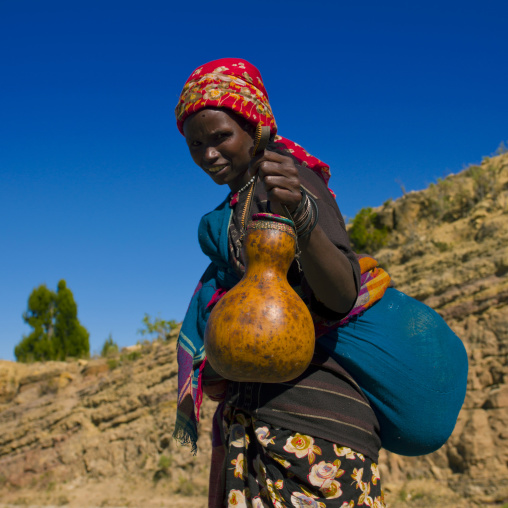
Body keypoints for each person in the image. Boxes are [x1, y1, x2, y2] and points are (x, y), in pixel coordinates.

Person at [173, 58, 467, 508]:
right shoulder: (237, 202)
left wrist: (304, 220)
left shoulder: (293, 181)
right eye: (195, 144)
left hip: (314, 432)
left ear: (255, 127)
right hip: (257, 420)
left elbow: (342, 294)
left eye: (220, 137)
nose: (208, 154)